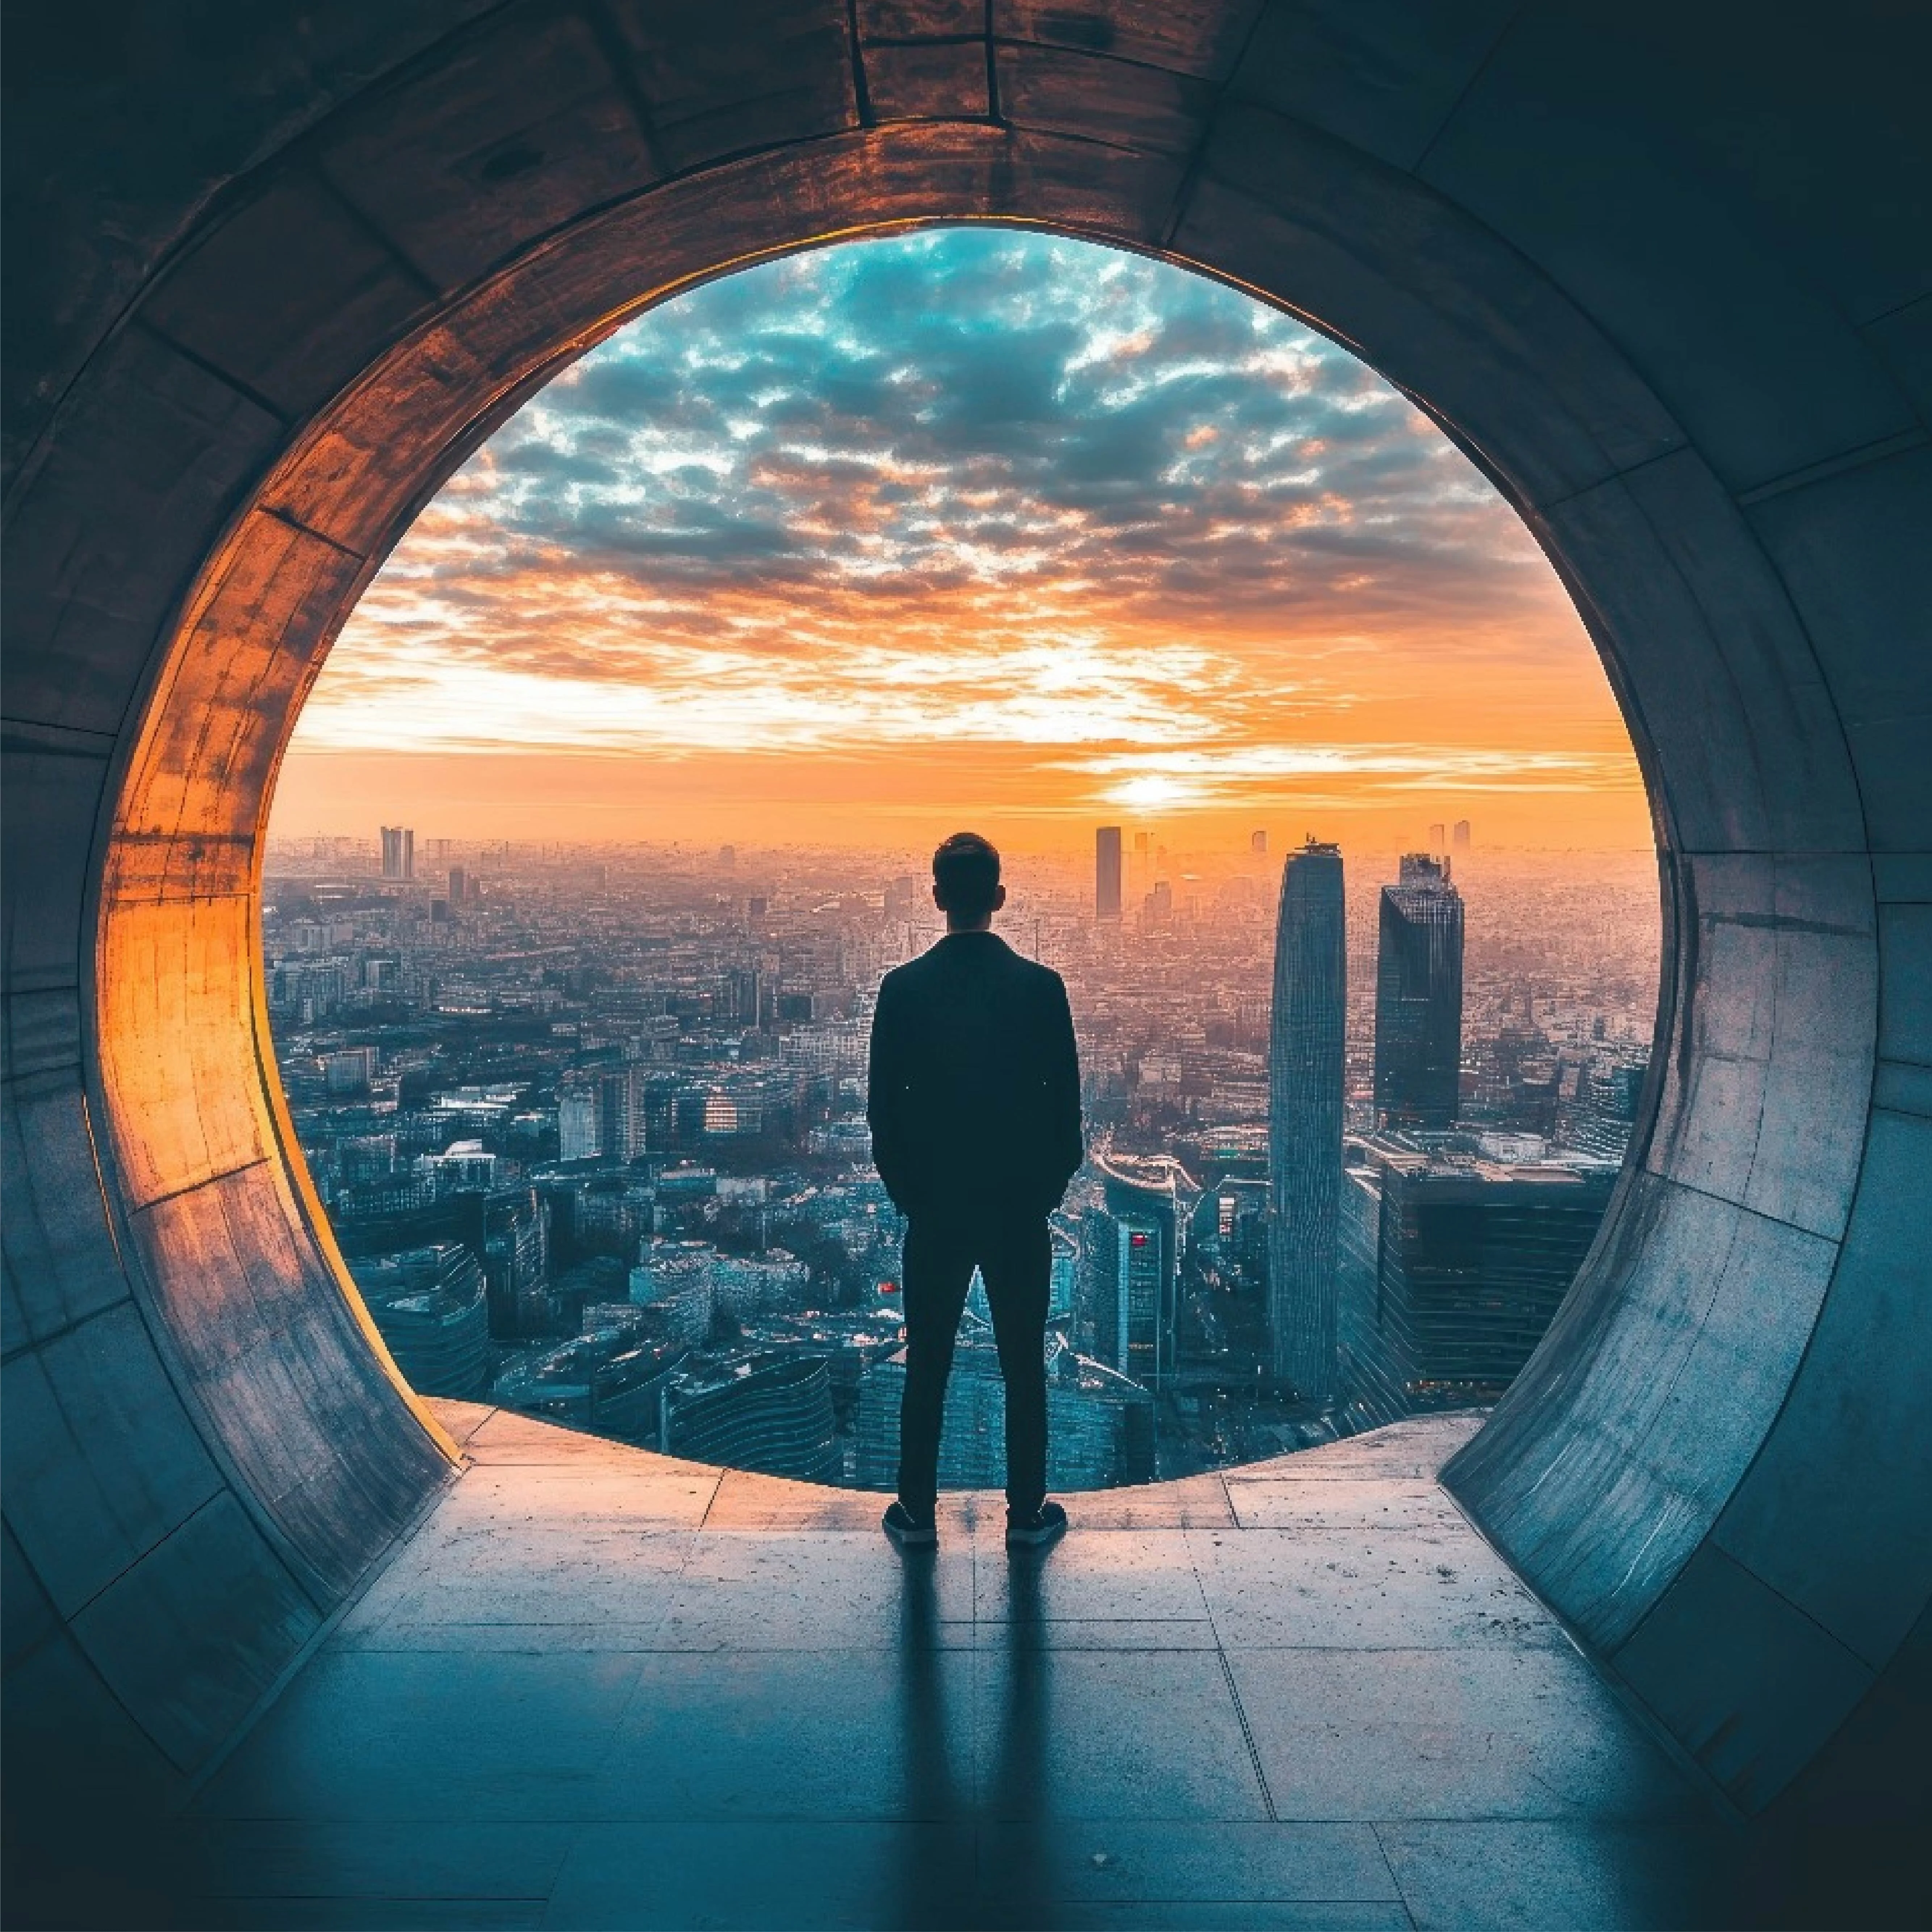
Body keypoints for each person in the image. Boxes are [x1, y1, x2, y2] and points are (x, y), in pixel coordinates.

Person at [867, 832, 1083, 1551]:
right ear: (999, 898)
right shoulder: (1041, 990)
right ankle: (1025, 1515)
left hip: (936, 1210)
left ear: (937, 898)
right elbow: (1066, 1116)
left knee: (927, 1358)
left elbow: (883, 1116)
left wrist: (913, 1199)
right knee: (1023, 1361)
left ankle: (917, 1513)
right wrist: (1042, 1196)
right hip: (1017, 1209)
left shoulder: (902, 992)